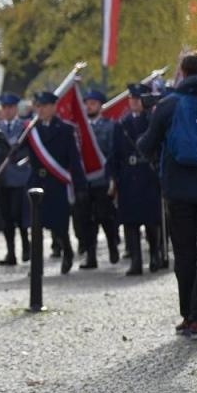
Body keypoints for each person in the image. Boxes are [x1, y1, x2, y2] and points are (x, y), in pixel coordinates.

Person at [138, 50, 197, 340]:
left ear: (183, 74)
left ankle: (187, 315)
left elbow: (146, 146)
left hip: (178, 191)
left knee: (184, 254)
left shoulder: (169, 104)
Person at [25, 91, 88, 274]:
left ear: (53, 107)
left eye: (44, 106)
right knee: (36, 227)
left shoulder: (66, 129)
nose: (41, 110)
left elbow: (74, 160)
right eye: (38, 106)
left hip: (57, 183)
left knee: (59, 225)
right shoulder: (31, 130)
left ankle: (67, 251)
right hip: (37, 181)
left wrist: (80, 185)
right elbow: (21, 152)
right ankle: (36, 265)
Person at [111, 83, 165, 276]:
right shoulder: (122, 124)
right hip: (128, 176)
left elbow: (160, 148)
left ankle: (155, 254)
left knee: (151, 221)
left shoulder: (153, 120)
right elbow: (115, 153)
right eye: (131, 99)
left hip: (148, 175)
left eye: (138, 98)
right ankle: (136, 260)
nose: (134, 102)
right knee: (130, 222)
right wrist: (114, 177)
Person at [74, 88, 119, 267]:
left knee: (105, 216)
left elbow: (112, 153)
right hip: (84, 180)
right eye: (86, 103)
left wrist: (112, 178)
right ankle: (91, 256)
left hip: (102, 180)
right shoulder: (79, 129)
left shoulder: (109, 126)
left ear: (100, 105)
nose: (88, 107)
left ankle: (112, 245)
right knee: (86, 219)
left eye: (92, 103)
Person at [0, 93, 33, 264]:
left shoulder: (24, 127)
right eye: (5, 108)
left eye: (10, 108)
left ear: (15, 108)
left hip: (19, 177)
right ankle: (11, 253)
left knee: (19, 215)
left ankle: (26, 246)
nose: (7, 111)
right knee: (6, 217)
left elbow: (30, 150)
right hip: (2, 178)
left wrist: (20, 157)